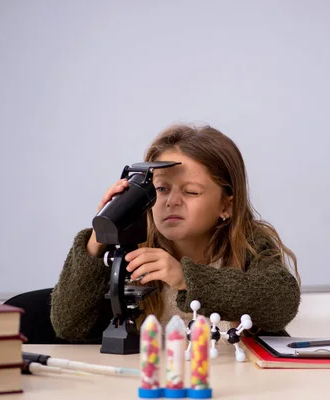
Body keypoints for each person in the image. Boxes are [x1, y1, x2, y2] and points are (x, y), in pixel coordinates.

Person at [49, 123, 301, 342]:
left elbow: (281, 301)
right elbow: (68, 325)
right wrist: (100, 233)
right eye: (161, 189)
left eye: (191, 191)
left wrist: (185, 278)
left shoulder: (249, 243)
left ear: (226, 205)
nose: (172, 201)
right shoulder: (132, 246)